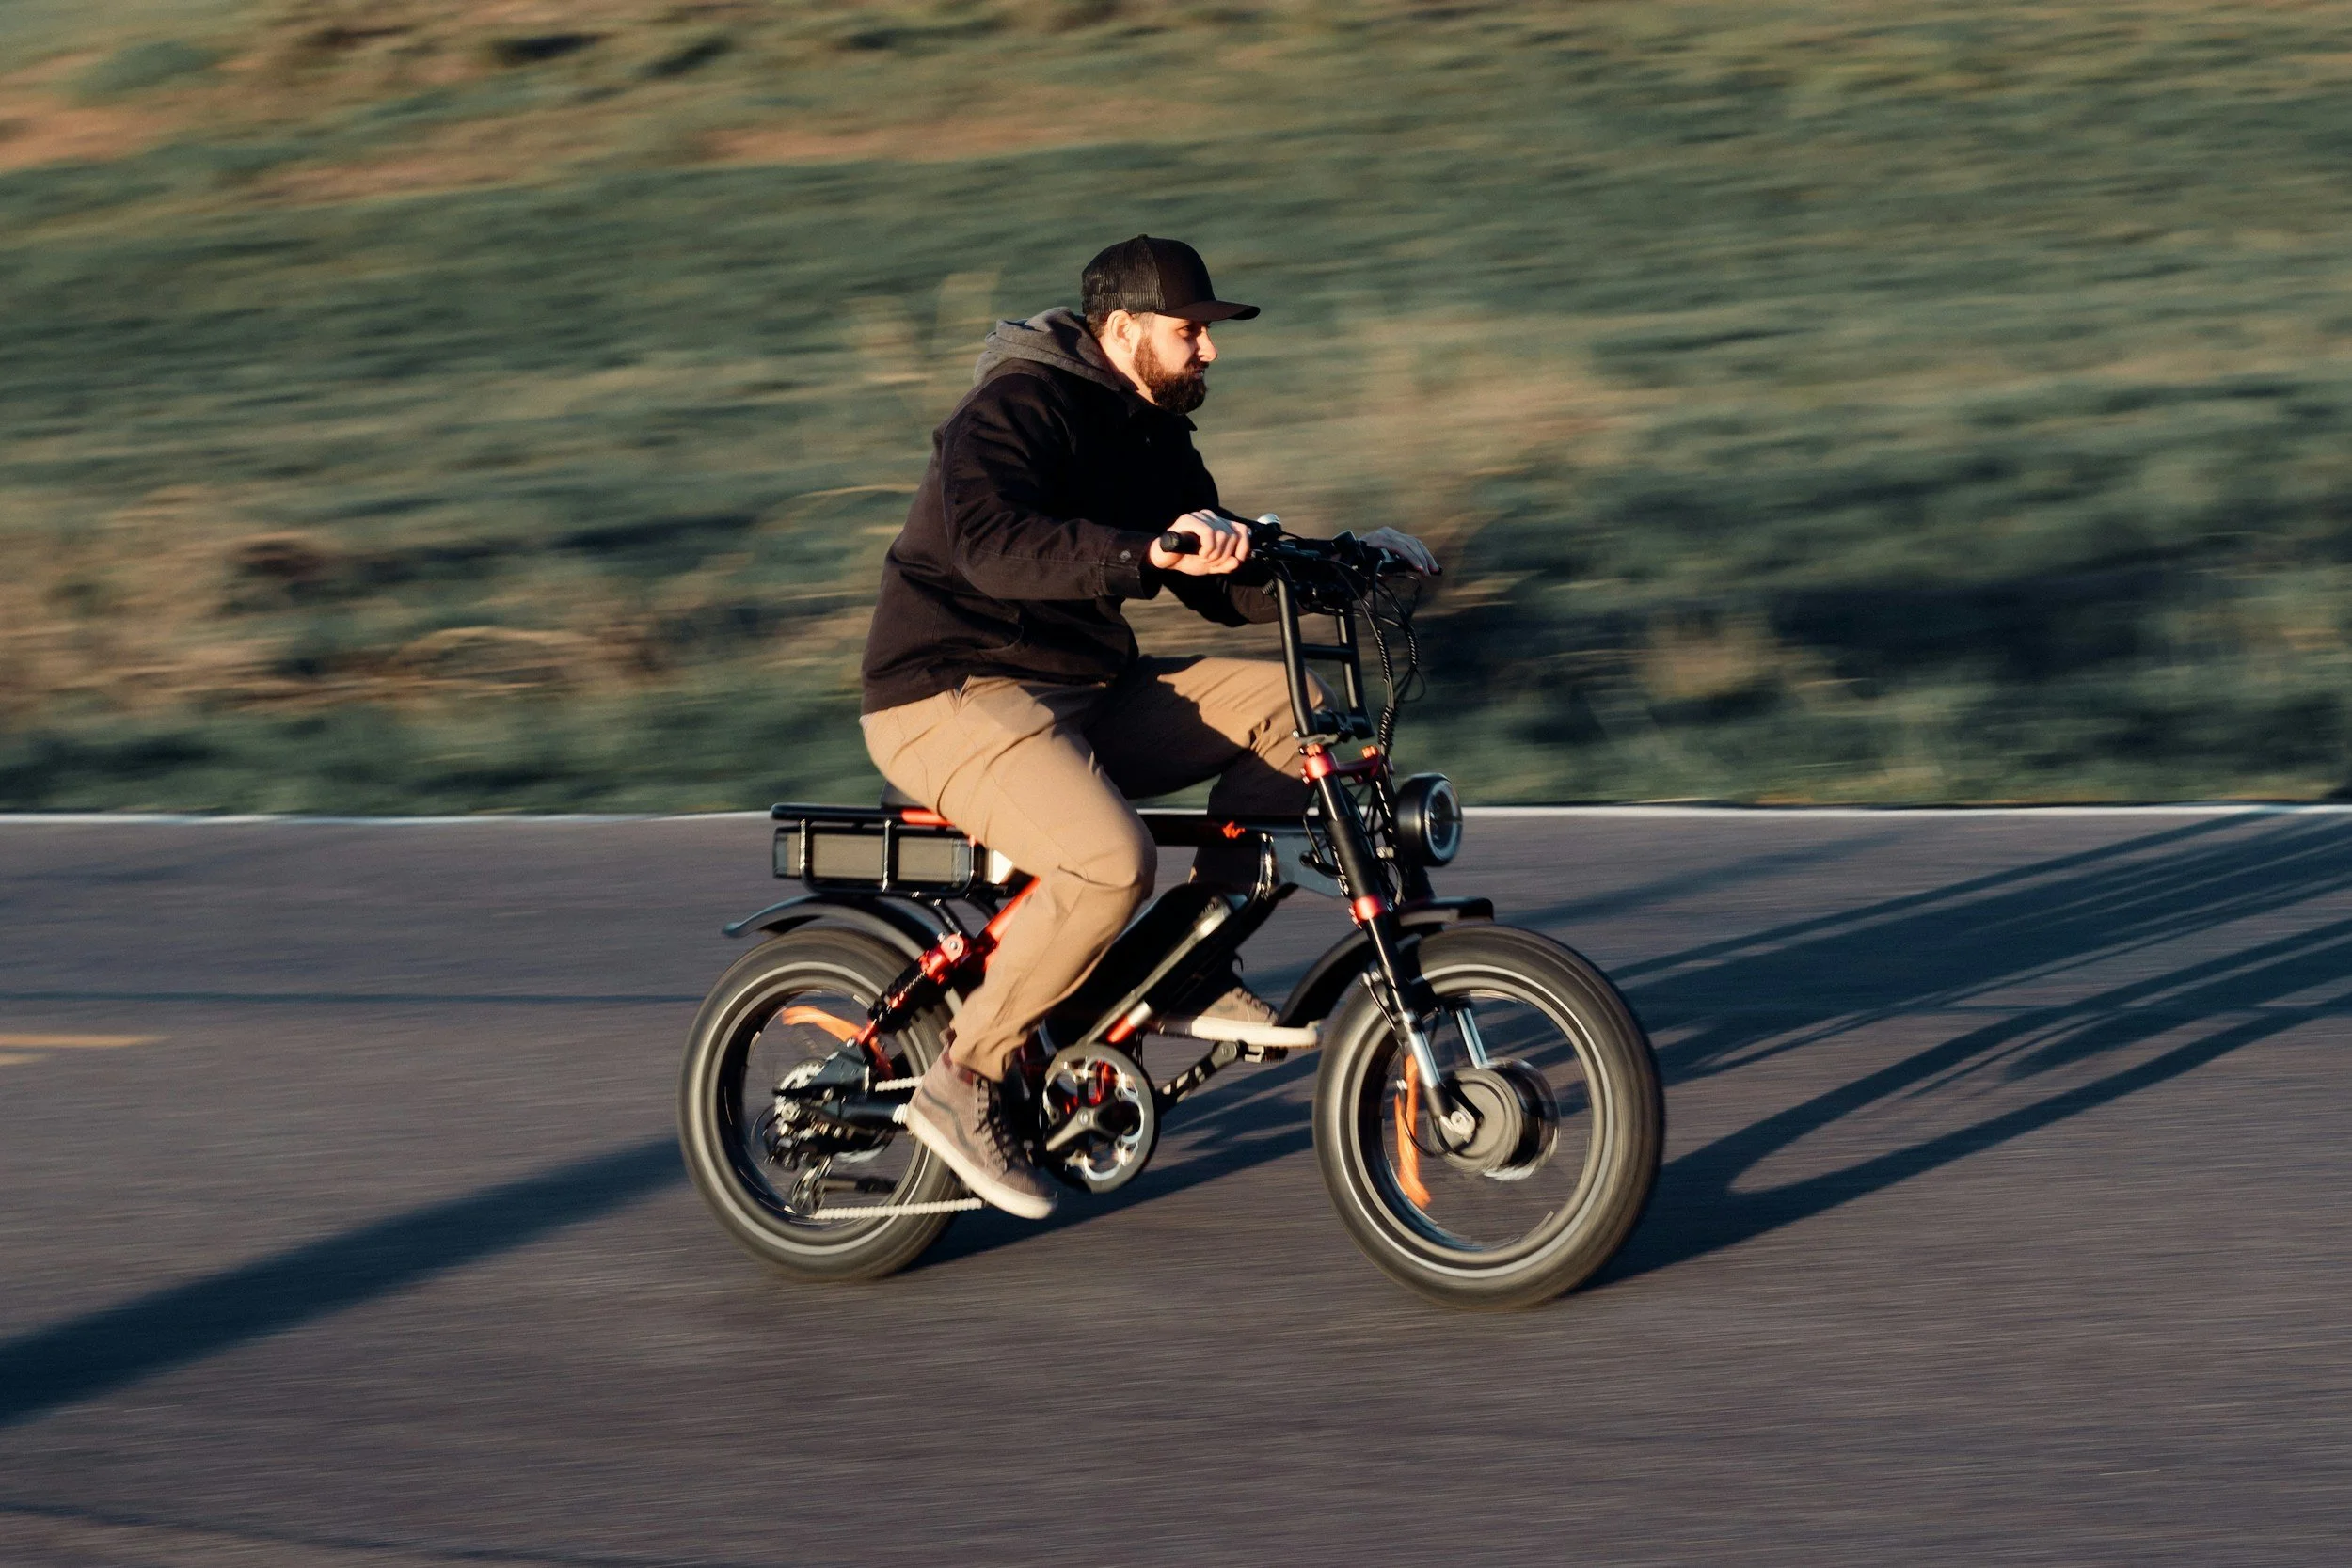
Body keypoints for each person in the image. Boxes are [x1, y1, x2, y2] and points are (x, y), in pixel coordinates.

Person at [858, 235, 1438, 1218]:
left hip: (1081, 688)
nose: (1208, 351)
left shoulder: (1149, 428)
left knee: (1298, 715)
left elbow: (1216, 571)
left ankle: (1179, 963)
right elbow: (994, 548)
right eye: (1190, 333)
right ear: (1120, 328)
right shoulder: (1012, 408)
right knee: (1108, 860)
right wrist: (1144, 550)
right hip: (947, 692)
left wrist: (1344, 563)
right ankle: (962, 1078)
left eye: (1208, 335)